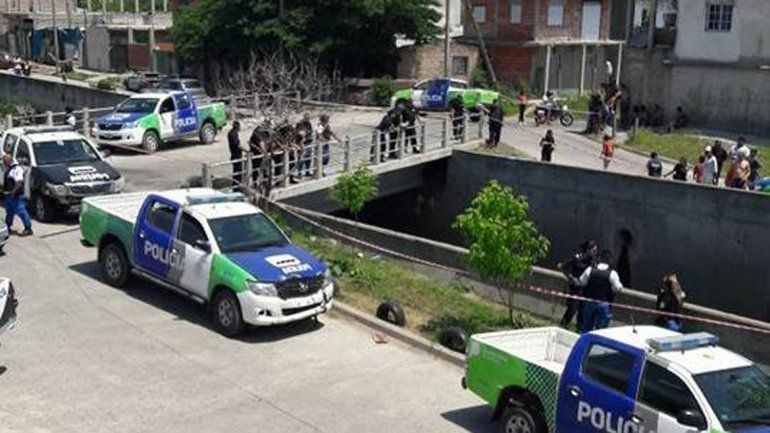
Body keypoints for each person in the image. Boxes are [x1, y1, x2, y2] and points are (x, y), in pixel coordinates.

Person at [578, 250, 623, 333]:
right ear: (610, 260)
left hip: (589, 302)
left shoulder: (590, 270)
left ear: (599, 258)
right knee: (601, 330)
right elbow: (618, 288)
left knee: (586, 328)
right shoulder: (612, 273)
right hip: (603, 304)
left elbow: (581, 281)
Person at [558, 241, 597, 330]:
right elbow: (562, 266)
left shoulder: (592, 262)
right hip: (575, 288)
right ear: (587, 250)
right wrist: (571, 277)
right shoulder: (577, 258)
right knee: (572, 308)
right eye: (593, 250)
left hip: (585, 290)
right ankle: (563, 325)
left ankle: (579, 329)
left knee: (582, 312)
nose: (595, 253)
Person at [3, 154, 33, 237]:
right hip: (8, 196)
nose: (4, 163)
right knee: (9, 212)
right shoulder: (9, 169)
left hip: (15, 197)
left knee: (21, 212)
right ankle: (8, 227)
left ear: (10, 160)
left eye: (5, 161)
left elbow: (19, 182)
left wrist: (13, 192)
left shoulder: (17, 169)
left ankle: (28, 228)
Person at [227, 121, 247, 188]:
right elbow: (237, 145)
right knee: (237, 171)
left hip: (235, 154)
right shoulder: (233, 134)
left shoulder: (232, 133)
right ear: (237, 127)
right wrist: (246, 151)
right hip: (236, 155)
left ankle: (237, 184)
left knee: (237, 171)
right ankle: (236, 185)